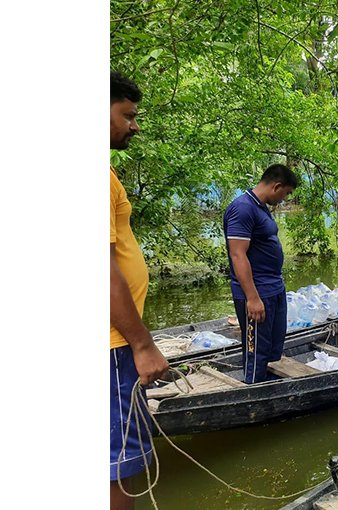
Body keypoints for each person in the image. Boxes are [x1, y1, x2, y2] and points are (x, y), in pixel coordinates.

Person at [110, 70, 170, 510]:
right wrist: (143, 344)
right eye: (127, 115)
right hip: (111, 347)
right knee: (119, 469)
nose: (135, 125)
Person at [224, 164, 299, 383]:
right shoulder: (242, 208)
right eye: (286, 194)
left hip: (273, 287)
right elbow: (238, 255)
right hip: (258, 292)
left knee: (273, 348)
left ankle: (266, 385)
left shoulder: (259, 206)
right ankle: (253, 392)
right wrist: (253, 298)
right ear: (276, 186)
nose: (284, 199)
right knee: (257, 350)